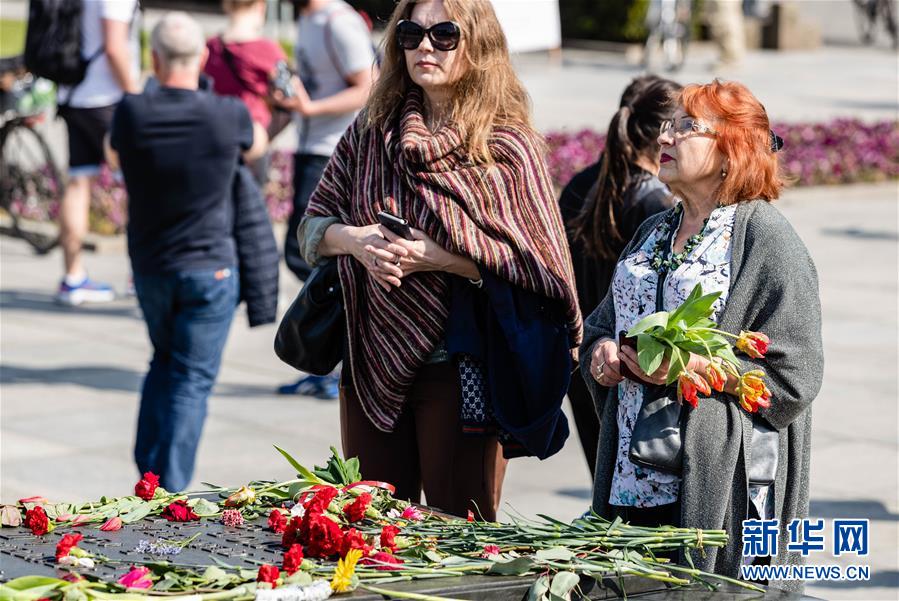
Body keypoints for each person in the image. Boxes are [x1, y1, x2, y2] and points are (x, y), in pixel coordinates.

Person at [296, 0, 582, 521]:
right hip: (369, 360)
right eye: (410, 34)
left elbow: (541, 269)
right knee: (370, 529)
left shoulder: (508, 147)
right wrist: (356, 241)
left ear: (478, 45)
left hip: (463, 366)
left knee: (461, 531)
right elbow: (311, 228)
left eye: (444, 34)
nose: (425, 46)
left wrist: (441, 258)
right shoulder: (372, 133)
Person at [580, 80, 823, 589]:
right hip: (633, 477)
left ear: (730, 150)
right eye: (667, 126)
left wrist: (691, 369)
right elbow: (605, 321)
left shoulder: (766, 239)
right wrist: (601, 351)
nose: (666, 137)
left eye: (687, 127)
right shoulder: (655, 231)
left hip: (716, 486)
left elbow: (796, 377)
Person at [109, 12, 278, 492]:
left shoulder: (132, 112)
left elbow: (111, 153)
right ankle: (170, 491)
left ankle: (148, 473)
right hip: (212, 271)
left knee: (163, 359)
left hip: (152, 268)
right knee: (192, 379)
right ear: (202, 56)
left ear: (155, 59)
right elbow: (257, 144)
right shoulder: (227, 114)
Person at [559, 75, 679, 478]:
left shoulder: (580, 184)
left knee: (605, 493)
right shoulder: (655, 204)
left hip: (583, 361)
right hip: (630, 367)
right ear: (662, 133)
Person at [273, 0, 377, 399]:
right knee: (302, 253)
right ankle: (326, 364)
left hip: (334, 149)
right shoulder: (310, 18)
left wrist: (311, 107)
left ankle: (334, 364)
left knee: (314, 257)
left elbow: (368, 87)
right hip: (311, 146)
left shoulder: (339, 21)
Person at [55, 0, 140, 305]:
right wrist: (135, 93)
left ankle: (73, 277)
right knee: (139, 184)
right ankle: (139, 275)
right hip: (107, 98)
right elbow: (115, 46)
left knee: (78, 182)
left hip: (74, 93)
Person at [203, 0, 287, 180]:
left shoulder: (210, 47)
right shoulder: (268, 50)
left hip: (216, 139)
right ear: (260, 6)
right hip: (253, 138)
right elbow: (291, 100)